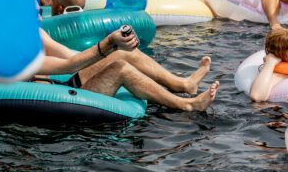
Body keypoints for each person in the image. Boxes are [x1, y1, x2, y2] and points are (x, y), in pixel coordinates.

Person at [38, 26, 218, 112]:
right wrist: (107, 42)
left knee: (123, 54)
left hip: (64, 88)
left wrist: (114, 48)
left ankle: (184, 84)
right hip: (53, 104)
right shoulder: (13, 50)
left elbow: (71, 56)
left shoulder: (35, 33)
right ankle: (187, 104)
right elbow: (69, 66)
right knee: (120, 68)